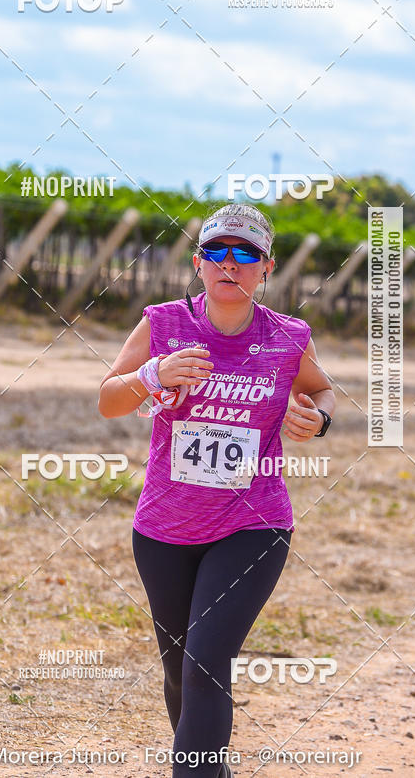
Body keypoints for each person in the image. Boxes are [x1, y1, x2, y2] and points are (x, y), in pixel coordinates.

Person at [98, 203, 335, 777]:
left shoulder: (287, 336)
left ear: (266, 268)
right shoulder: (162, 324)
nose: (231, 264)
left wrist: (319, 420)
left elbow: (323, 392)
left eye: (245, 254)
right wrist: (152, 375)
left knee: (207, 662)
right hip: (163, 528)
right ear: (199, 263)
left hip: (254, 525)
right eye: (217, 252)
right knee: (180, 668)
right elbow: (108, 400)